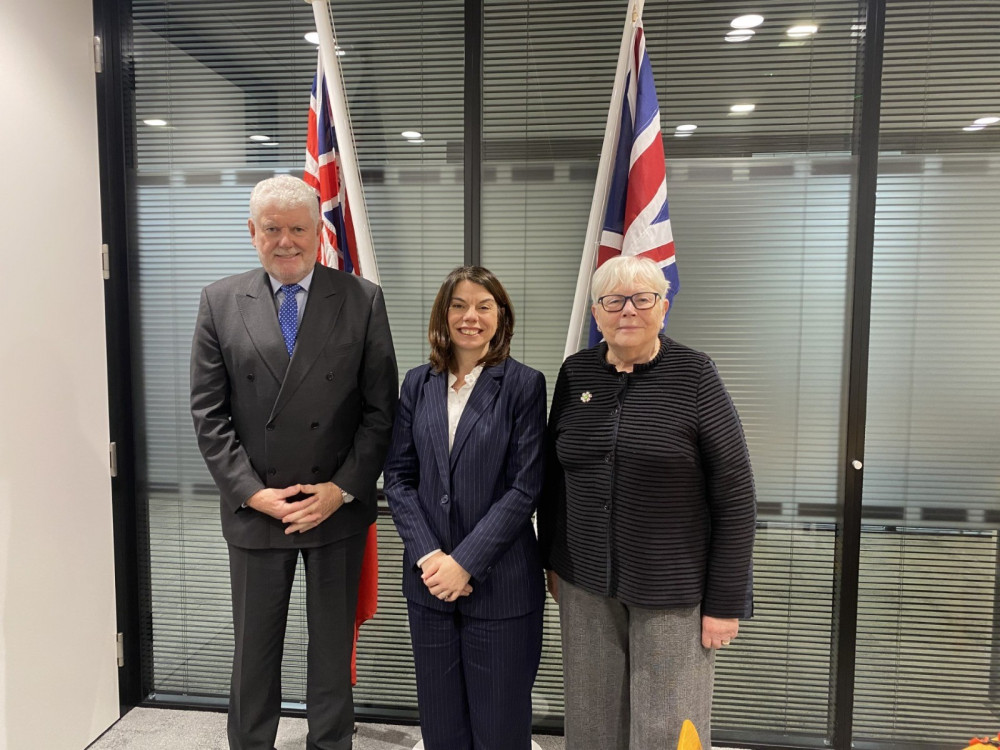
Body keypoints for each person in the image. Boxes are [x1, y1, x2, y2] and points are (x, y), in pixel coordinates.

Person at [190, 174, 398, 750]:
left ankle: (330, 744)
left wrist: (340, 490)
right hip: (257, 508)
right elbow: (209, 415)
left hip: (335, 508)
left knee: (331, 651)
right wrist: (252, 492)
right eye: (273, 229)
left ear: (318, 231)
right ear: (252, 232)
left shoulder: (361, 298)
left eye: (298, 228)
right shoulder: (219, 300)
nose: (286, 241)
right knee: (254, 650)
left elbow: (382, 412)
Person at [538, 254, 756, 749]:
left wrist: (725, 602)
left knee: (667, 728)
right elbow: (554, 480)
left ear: (663, 307)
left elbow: (736, 494)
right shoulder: (576, 374)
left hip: (673, 591)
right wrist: (550, 560)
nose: (628, 311)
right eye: (613, 301)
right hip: (585, 584)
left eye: (642, 299)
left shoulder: (696, 374)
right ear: (597, 313)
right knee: (591, 725)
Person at [383, 266, 547, 750]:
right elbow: (398, 476)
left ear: (501, 316)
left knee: (500, 726)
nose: (469, 316)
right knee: (441, 726)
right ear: (443, 314)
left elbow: (525, 487)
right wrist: (432, 558)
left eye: (483, 305)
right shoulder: (417, 383)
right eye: (458, 305)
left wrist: (465, 562)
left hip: (501, 584)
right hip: (429, 582)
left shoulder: (523, 385)